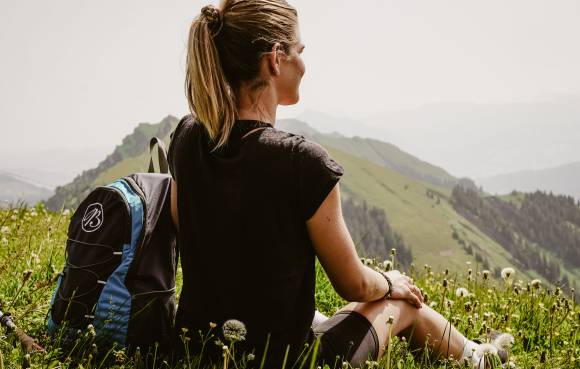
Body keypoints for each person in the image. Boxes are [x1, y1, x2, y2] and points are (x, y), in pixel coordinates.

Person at [167, 1, 512, 368]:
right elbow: (355, 286)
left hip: (196, 349)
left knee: (355, 309)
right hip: (291, 361)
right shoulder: (301, 161)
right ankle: (482, 360)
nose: (303, 63)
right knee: (396, 302)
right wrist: (389, 281)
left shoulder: (187, 138)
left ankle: (477, 352)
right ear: (275, 60)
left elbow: (181, 222)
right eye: (299, 51)